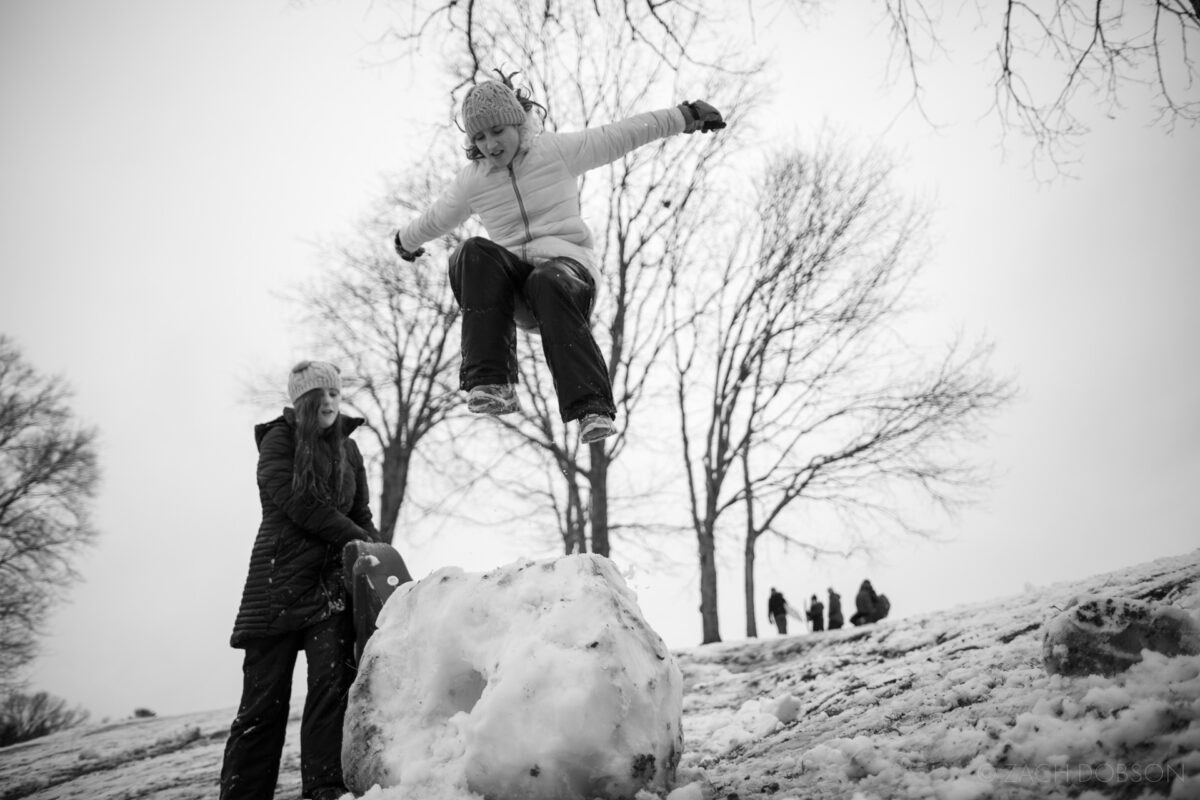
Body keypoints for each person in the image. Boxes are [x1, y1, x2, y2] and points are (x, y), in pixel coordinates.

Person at [392, 70, 725, 444]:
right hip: (517, 292)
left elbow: (623, 134)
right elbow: (437, 217)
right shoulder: (473, 181)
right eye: (480, 137)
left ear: (518, 123)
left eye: (498, 131)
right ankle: (492, 383)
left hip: (569, 278)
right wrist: (405, 241)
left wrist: (687, 115)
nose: (491, 144)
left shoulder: (556, 152)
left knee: (547, 278)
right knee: (470, 252)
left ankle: (591, 407)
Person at [220, 361, 379, 800]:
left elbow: (360, 513)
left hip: (329, 589)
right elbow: (298, 503)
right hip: (276, 588)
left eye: (334, 393)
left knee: (330, 692)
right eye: (319, 395)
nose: (329, 401)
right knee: (262, 707)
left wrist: (380, 552)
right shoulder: (279, 439)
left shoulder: (349, 450)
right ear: (302, 402)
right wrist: (357, 537)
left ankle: (324, 788)